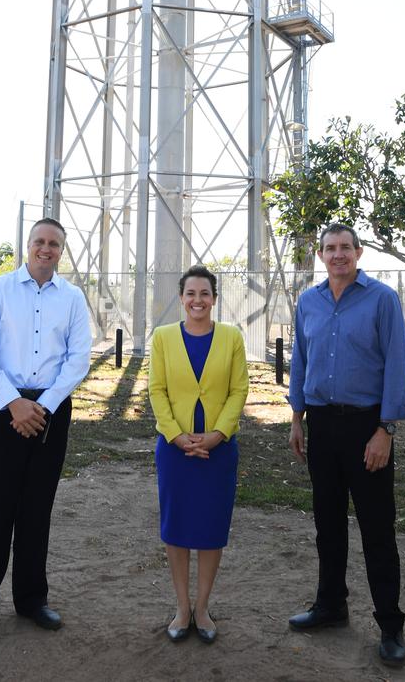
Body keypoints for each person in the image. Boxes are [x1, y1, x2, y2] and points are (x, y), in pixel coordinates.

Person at [0, 218, 91, 641]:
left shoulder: (72, 298)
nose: (46, 249)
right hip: (3, 407)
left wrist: (44, 406)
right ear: (28, 245)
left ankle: (32, 600)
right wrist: (12, 402)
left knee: (37, 510)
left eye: (54, 244)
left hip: (50, 410)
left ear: (61, 251)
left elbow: (78, 358)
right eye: (40, 241)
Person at [287, 223, 405, 667]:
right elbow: (301, 359)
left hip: (367, 429)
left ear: (358, 253)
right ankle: (331, 606)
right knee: (328, 524)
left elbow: (397, 366)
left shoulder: (382, 299)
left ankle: (391, 626)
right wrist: (297, 418)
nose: (338, 255)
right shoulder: (309, 302)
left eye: (345, 248)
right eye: (330, 249)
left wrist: (386, 430)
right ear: (320, 256)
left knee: (377, 530)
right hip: (321, 426)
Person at [149, 264, 249, 644]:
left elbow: (239, 390)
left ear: (214, 299)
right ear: (181, 298)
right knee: (176, 528)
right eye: (190, 294)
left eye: (204, 294)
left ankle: (203, 608)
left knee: (210, 529)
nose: (197, 300)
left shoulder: (231, 338)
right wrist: (177, 437)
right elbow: (156, 391)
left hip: (218, 452)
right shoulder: (162, 338)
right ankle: (181, 607)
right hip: (175, 451)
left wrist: (217, 435)